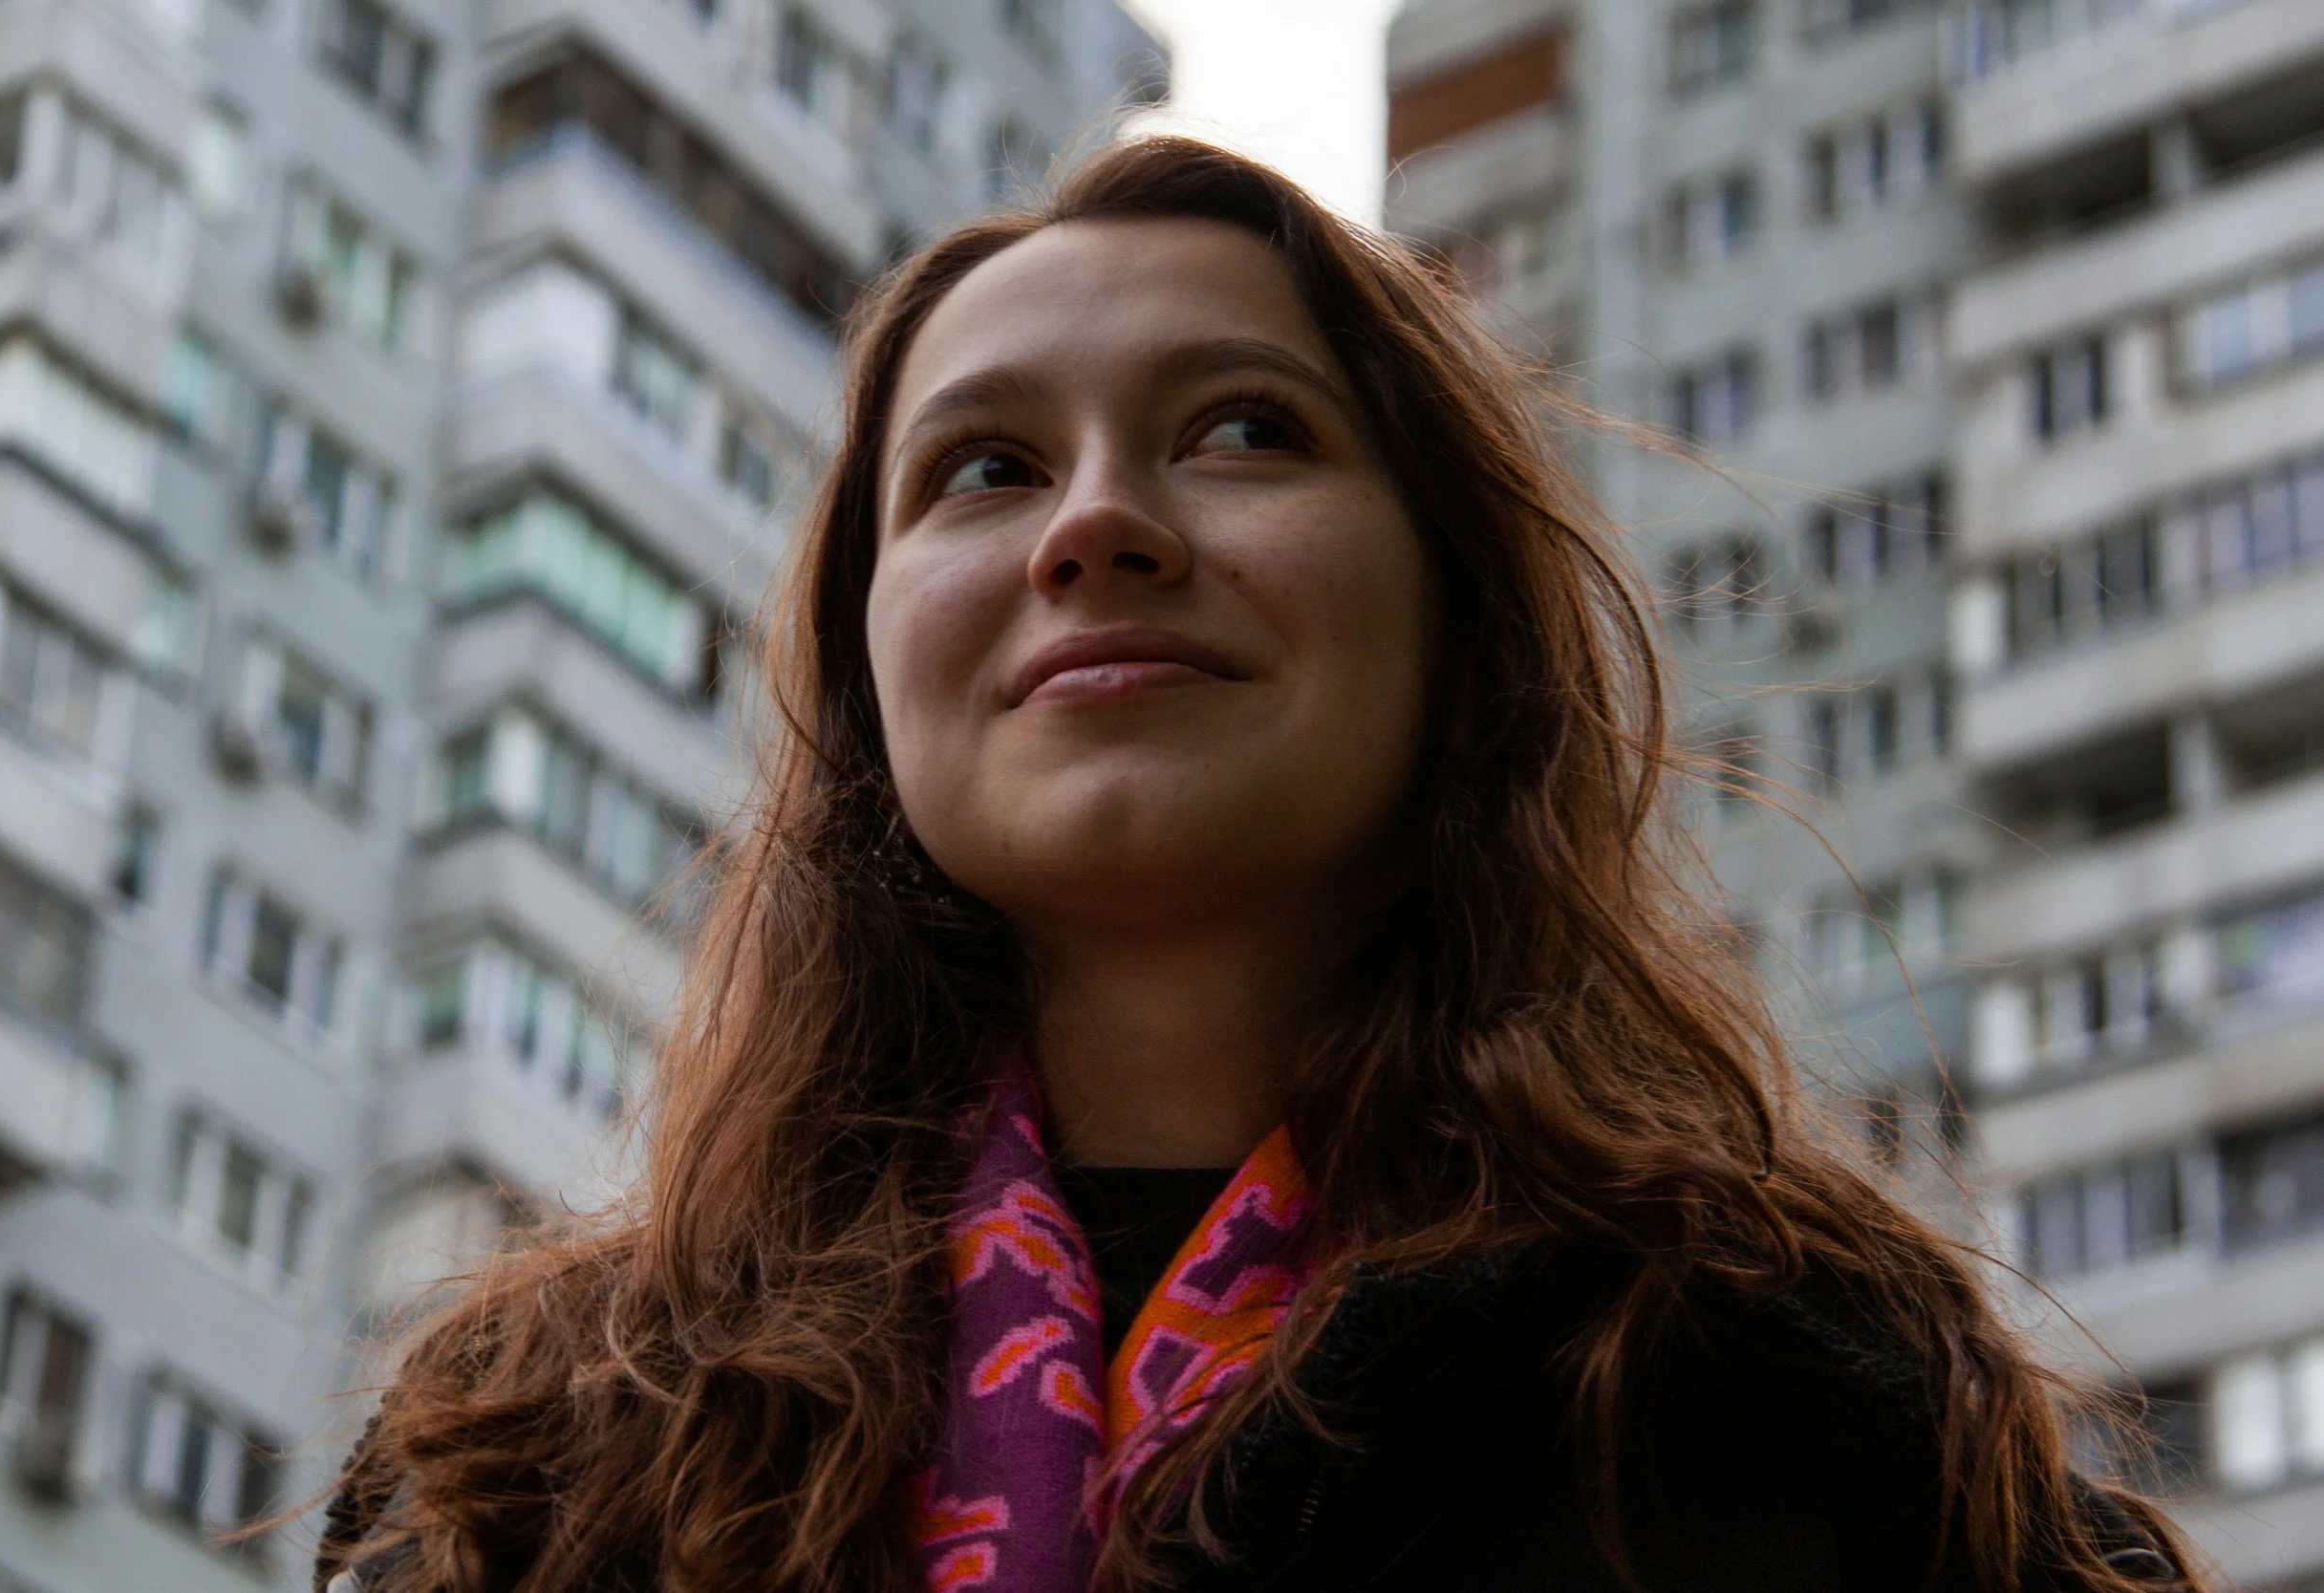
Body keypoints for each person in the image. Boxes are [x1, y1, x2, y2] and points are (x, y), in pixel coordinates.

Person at [315, 137, 2195, 1593]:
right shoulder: (531, 1465)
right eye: (979, 467)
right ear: (864, 669)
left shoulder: (1788, 1402)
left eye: (1237, 429)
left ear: (1457, 634)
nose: (1098, 525)